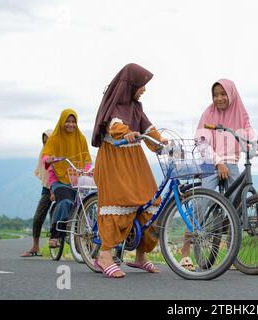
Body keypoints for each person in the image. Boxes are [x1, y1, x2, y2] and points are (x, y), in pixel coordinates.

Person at [179, 79, 258, 270]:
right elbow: (201, 142)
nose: (219, 98)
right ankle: (185, 251)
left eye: (223, 94)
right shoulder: (208, 113)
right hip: (210, 163)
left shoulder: (241, 114)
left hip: (231, 164)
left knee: (237, 204)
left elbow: (248, 138)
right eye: (215, 95)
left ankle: (231, 247)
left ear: (232, 94)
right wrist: (217, 162)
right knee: (202, 202)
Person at [91, 63, 167, 278]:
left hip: (135, 159)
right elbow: (114, 126)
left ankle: (140, 256)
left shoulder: (136, 107)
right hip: (115, 159)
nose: (144, 89)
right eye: (142, 85)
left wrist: (162, 143)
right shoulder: (114, 106)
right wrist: (125, 132)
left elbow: (148, 128)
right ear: (131, 84)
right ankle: (105, 255)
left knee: (152, 203)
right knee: (120, 203)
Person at [42, 109, 92, 248]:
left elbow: (87, 158)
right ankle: (55, 235)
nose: (70, 124)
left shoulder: (80, 138)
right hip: (58, 180)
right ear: (62, 122)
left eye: (73, 122)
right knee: (65, 202)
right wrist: (50, 159)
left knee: (86, 203)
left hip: (77, 179)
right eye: (67, 121)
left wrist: (86, 170)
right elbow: (46, 156)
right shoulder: (55, 138)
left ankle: (83, 235)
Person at [20, 130, 54, 257]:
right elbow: (46, 172)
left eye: (49, 141)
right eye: (44, 142)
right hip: (47, 187)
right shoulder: (44, 154)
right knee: (38, 217)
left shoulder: (59, 151)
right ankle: (35, 246)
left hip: (61, 185)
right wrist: (50, 190)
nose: (46, 144)